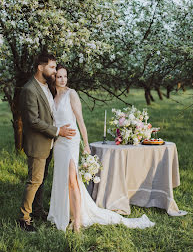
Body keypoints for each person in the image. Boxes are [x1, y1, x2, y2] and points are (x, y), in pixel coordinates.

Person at [47, 64, 155, 232]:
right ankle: (65, 212)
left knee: (72, 180)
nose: (62, 80)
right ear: (53, 77)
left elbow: (80, 121)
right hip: (59, 143)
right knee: (62, 180)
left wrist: (86, 144)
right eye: (59, 76)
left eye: (65, 76)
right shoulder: (52, 96)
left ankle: (76, 222)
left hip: (71, 142)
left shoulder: (71, 94)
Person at [18, 53, 76, 232]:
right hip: (38, 143)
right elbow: (33, 120)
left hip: (49, 142)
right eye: (51, 67)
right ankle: (23, 218)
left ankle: (37, 210)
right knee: (34, 180)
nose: (54, 70)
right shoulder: (29, 89)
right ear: (40, 67)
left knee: (42, 179)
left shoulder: (46, 86)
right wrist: (59, 131)